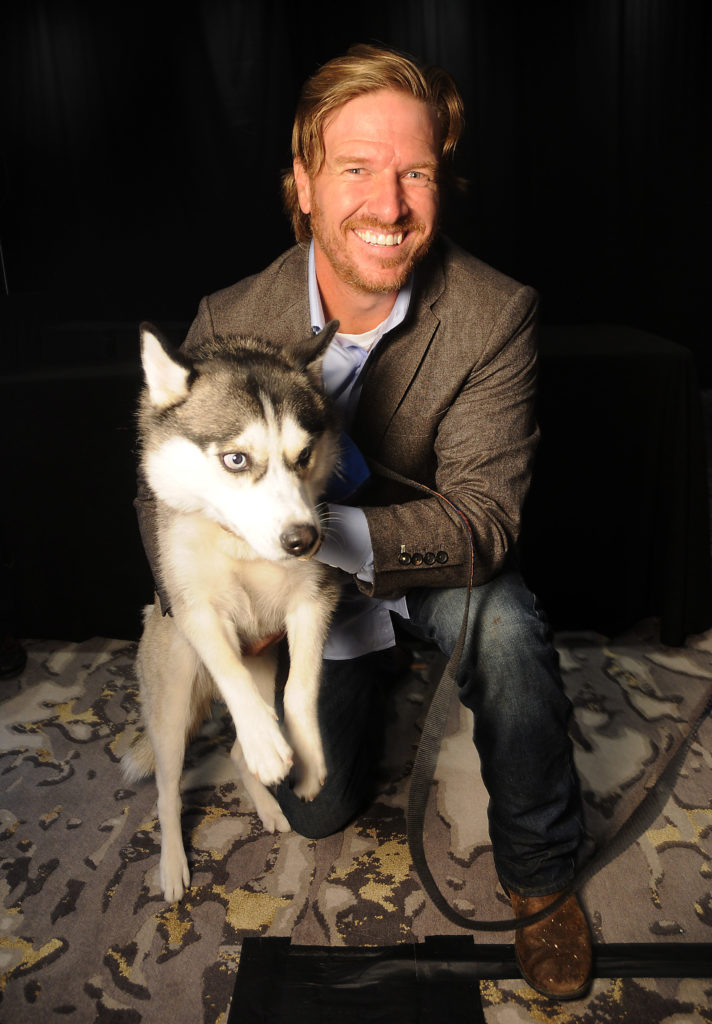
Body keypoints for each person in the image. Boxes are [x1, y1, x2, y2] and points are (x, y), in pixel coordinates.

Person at [136, 44, 593, 999]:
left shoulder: (495, 314)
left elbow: (482, 524)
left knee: (502, 622)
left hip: (422, 566)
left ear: (439, 183)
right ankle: (371, 684)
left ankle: (543, 877)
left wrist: (304, 535)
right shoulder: (230, 314)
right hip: (304, 611)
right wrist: (217, 596)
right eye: (354, 170)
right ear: (301, 184)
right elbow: (162, 492)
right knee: (318, 811)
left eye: (414, 173)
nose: (387, 207)